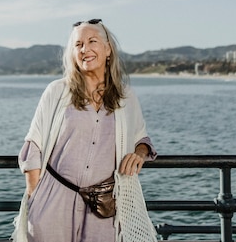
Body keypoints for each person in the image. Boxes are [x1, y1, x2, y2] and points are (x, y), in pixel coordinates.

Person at [11, 19, 157, 242]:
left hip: (104, 207)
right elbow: (33, 147)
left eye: (92, 41)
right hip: (54, 200)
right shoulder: (57, 91)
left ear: (107, 49)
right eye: (78, 45)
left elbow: (142, 138)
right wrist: (36, 197)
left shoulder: (126, 97)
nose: (85, 49)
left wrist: (139, 153)